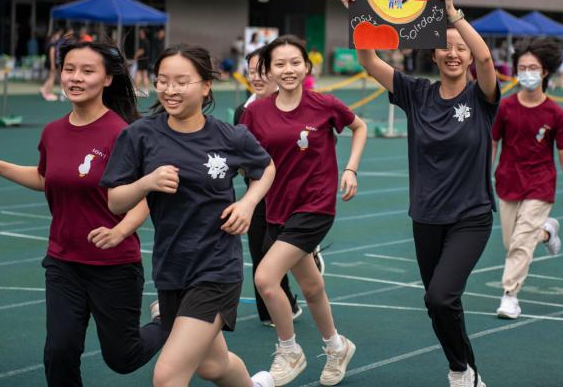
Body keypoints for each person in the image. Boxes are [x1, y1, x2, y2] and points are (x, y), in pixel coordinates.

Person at [0, 40, 167, 386]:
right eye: (69, 69)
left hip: (114, 265)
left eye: (87, 71)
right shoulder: (53, 131)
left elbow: (141, 199)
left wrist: (119, 232)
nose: (75, 78)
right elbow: (45, 178)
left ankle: (165, 322)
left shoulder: (123, 134)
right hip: (63, 261)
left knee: (123, 357)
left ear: (108, 79)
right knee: (59, 352)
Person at [341, 0, 499, 387]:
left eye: (460, 48)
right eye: (446, 46)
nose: (453, 53)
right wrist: (357, 12)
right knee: (440, 305)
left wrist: (453, 14)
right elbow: (368, 61)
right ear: (434, 52)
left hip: (471, 216)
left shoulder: (481, 99)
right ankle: (464, 371)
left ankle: (460, 370)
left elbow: (485, 60)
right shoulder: (416, 93)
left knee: (439, 296)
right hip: (426, 216)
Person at [103, 44, 276, 387]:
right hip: (171, 269)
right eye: (163, 80)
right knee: (213, 366)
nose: (169, 89)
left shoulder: (230, 136)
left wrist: (248, 203)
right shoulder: (139, 135)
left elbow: (266, 167)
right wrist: (147, 182)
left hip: (216, 268)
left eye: (181, 81)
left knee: (168, 377)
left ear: (206, 85)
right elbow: (115, 203)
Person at [242, 35, 367, 386]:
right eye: (279, 64)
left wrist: (351, 169)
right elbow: (240, 152)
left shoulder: (324, 104)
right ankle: (336, 346)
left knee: (266, 279)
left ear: (307, 66)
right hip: (277, 209)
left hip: (315, 207)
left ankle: (288, 350)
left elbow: (359, 127)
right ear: (267, 71)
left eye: (295, 62)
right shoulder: (255, 112)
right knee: (311, 288)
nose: (288, 70)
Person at [491, 38, 563, 320]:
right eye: (522, 67)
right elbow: (492, 144)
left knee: (519, 245)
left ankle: (509, 296)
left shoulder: (557, 114)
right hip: (507, 181)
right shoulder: (504, 108)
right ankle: (547, 231)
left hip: (540, 184)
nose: (527, 72)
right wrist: (483, 176)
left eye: (533, 67)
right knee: (512, 242)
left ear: (544, 72)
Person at [233, 48, 302, 328]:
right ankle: (277, 309)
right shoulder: (243, 111)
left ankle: (308, 252)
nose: (257, 77)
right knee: (260, 251)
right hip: (259, 192)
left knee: (276, 248)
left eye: (262, 71)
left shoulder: (292, 105)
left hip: (292, 191)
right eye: (251, 71)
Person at [41, 29, 63, 101]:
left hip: (49, 63)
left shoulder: (48, 43)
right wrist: (53, 65)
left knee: (50, 77)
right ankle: (48, 94)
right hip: (51, 64)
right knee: (51, 78)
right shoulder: (52, 45)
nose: (58, 37)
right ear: (54, 35)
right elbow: (51, 55)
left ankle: (44, 91)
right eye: (57, 35)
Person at [134, 28, 151, 96]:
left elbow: (142, 51)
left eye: (141, 33)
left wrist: (135, 55)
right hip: (146, 60)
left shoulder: (144, 41)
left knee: (138, 75)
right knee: (145, 75)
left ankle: (136, 90)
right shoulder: (147, 41)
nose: (139, 34)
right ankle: (146, 91)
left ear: (144, 33)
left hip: (142, 60)